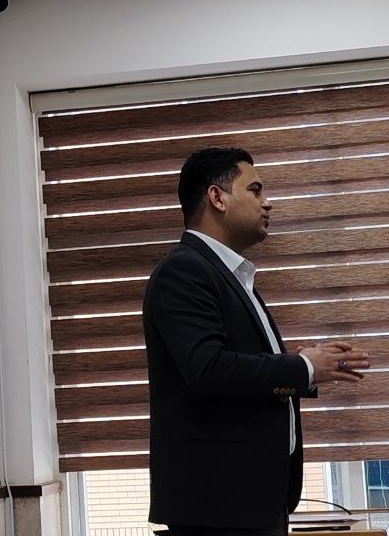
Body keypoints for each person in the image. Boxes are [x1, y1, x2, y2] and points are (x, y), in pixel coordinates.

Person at [143, 147, 371, 536]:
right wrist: (303, 367)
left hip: (252, 504)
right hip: (219, 510)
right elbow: (208, 369)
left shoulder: (227, 274)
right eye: (255, 190)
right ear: (217, 198)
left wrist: (299, 362)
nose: (268, 203)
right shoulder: (184, 271)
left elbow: (236, 365)